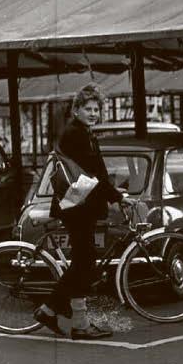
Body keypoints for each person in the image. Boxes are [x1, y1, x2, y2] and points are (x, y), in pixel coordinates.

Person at [34, 84, 122, 340]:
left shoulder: (84, 132)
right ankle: (63, 316)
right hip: (76, 208)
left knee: (85, 263)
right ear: (77, 110)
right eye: (88, 108)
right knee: (84, 263)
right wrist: (115, 196)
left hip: (80, 206)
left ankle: (57, 313)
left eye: (97, 109)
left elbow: (100, 171)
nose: (94, 113)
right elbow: (96, 172)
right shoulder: (76, 134)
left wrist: (115, 194)